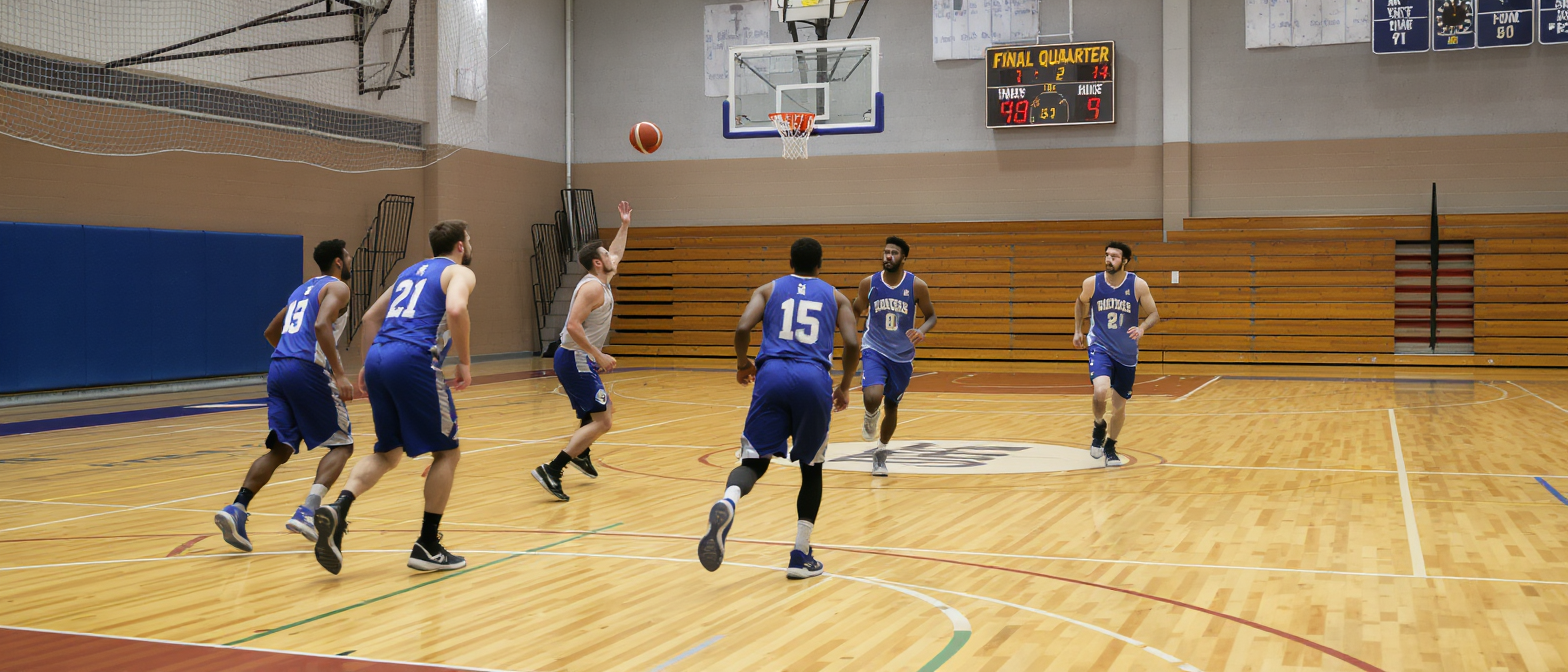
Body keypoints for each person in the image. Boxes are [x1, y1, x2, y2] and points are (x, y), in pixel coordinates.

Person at [311, 221, 477, 574]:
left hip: (380, 358)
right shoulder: (458, 272)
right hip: (414, 358)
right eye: (470, 239)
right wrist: (463, 361)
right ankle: (427, 545)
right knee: (448, 451)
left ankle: (339, 508)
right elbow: (457, 311)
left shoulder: (410, 272)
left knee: (387, 451)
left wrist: (367, 366)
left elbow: (371, 317)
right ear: (460, 246)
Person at [697, 238, 860, 580]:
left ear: (790, 261)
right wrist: (844, 385)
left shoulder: (768, 289)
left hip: (770, 376)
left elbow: (743, 328)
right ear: (820, 264)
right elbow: (852, 344)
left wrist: (743, 363)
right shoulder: (836, 296)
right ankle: (800, 555)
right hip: (813, 379)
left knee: (754, 462)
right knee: (811, 468)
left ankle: (728, 500)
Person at [214, 240, 356, 551]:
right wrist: (340, 374)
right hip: (307, 368)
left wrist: (289, 357)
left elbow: (270, 332)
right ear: (338, 262)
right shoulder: (338, 287)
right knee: (343, 445)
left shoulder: (301, 290)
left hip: (278, 368)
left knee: (281, 448)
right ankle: (308, 510)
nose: (350, 258)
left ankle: (236, 509)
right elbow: (321, 325)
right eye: (347, 255)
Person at [531, 202, 632, 501]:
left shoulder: (603, 279)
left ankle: (582, 453)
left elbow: (617, 251)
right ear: (597, 263)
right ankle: (553, 468)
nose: (611, 256)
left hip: (578, 357)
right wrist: (597, 355)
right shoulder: (592, 289)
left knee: (603, 410)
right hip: (576, 357)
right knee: (603, 420)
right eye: (605, 255)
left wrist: (624, 225)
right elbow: (573, 325)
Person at [851, 236, 937, 477]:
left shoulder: (917, 285)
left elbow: (932, 316)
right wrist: (851, 337)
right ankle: (870, 415)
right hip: (874, 347)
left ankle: (881, 452)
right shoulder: (869, 283)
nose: (888, 256)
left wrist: (921, 330)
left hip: (902, 355)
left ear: (904, 258)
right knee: (873, 396)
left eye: (894, 253)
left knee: (891, 405)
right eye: (886, 252)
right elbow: (855, 309)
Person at [1072, 242, 1159, 467]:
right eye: (1107, 255)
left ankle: (1110, 445)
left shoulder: (1137, 285)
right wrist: (1077, 330)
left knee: (1119, 405)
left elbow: (1154, 314)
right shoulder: (1092, 283)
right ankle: (1099, 424)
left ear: (1125, 261)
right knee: (1101, 390)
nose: (1109, 259)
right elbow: (1080, 303)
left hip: (1127, 353)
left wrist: (1141, 328)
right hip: (1100, 346)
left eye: (1114, 256)